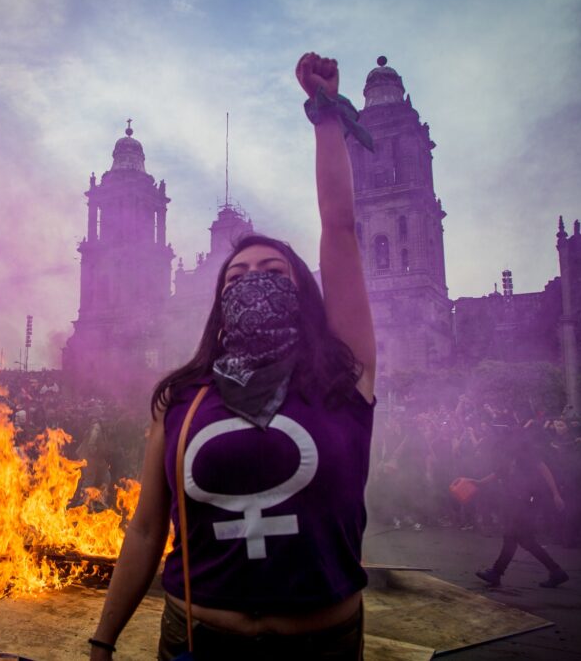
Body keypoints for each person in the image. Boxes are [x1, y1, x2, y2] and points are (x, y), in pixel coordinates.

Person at [89, 53, 376, 660]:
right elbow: (145, 529)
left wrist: (326, 117)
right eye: (237, 274)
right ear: (220, 301)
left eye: (273, 270)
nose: (253, 278)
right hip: (197, 643)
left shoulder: (342, 378)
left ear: (304, 291)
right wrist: (102, 642)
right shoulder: (182, 399)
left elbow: (342, 229)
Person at [474, 421, 569, 588]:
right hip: (515, 503)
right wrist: (476, 482)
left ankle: (496, 573)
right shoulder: (508, 456)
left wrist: (556, 494)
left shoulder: (526, 454)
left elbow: (544, 470)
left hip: (527, 502)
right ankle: (556, 571)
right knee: (525, 541)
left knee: (512, 536)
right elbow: (496, 474)